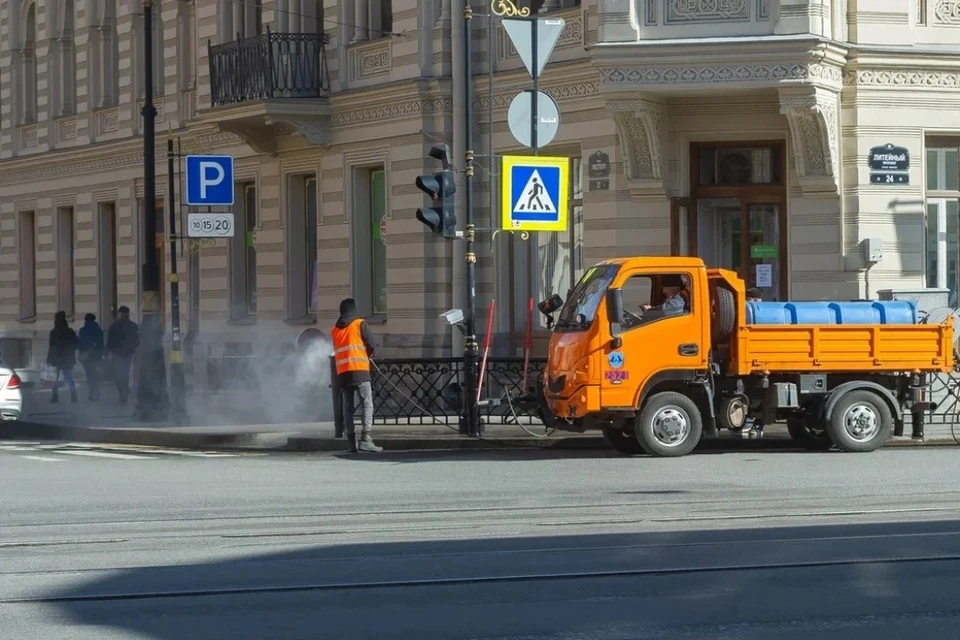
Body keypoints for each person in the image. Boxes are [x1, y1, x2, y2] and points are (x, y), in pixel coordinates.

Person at [331, 298, 382, 453]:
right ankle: (366, 438)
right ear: (353, 310)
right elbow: (372, 344)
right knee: (367, 403)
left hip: (343, 374)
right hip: (359, 370)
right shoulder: (359, 324)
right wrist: (369, 354)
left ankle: (351, 443)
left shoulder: (335, 330)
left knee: (348, 408)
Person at [106, 306, 140, 405]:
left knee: (117, 375)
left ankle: (122, 392)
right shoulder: (133, 326)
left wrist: (107, 352)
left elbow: (109, 340)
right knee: (125, 374)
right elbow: (137, 341)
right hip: (128, 353)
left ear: (120, 314)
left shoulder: (115, 325)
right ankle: (124, 391)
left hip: (117, 353)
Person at [47, 311, 79, 404]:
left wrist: (49, 359)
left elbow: (51, 346)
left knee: (54, 377)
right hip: (67, 357)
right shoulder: (70, 331)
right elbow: (76, 344)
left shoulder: (54, 332)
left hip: (56, 358)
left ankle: (55, 395)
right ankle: (73, 394)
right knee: (69, 376)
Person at [78, 313, 106, 401]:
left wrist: (82, 353)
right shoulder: (98, 330)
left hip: (86, 356)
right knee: (95, 374)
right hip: (96, 355)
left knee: (90, 374)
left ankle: (91, 393)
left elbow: (80, 344)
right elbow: (101, 344)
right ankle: (96, 393)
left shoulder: (82, 330)